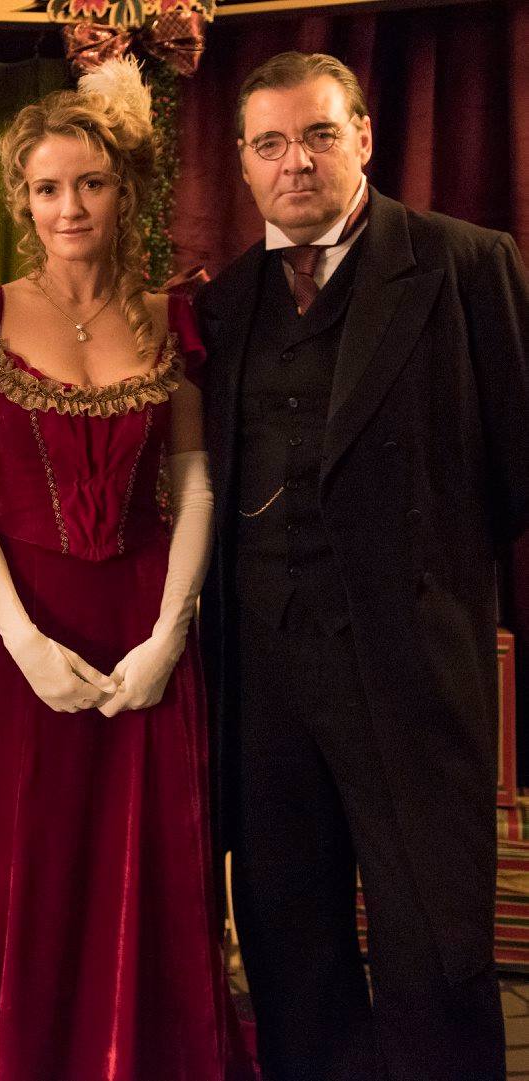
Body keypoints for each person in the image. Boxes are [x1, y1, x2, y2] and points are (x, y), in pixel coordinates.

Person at [197, 51, 529, 1080]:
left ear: (365, 139)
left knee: (436, 951)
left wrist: (424, 573)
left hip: (412, 672)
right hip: (264, 680)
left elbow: (518, 474)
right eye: (271, 143)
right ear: (243, 163)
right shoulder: (222, 304)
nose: (295, 162)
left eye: (319, 135)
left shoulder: (467, 264)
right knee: (291, 948)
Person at [0, 61, 249, 1080]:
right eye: (47, 187)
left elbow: (194, 486)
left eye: (91, 184)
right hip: (24, 627)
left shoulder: (171, 316)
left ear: (125, 190)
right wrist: (22, 642)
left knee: (151, 866)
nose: (69, 206)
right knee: (31, 865)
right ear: (22, 201)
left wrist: (169, 635)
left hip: (147, 620)